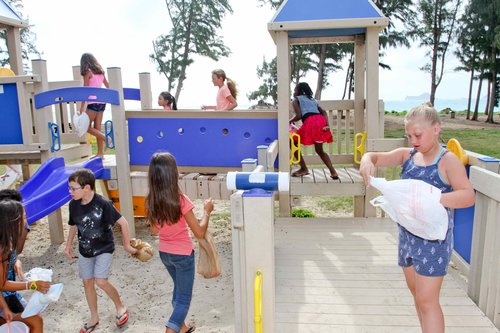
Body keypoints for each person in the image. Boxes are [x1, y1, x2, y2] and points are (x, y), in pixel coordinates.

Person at [359, 102, 475, 333]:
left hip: (434, 241)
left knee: (427, 301)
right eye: (409, 135)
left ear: (436, 128)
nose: (413, 140)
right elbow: (374, 157)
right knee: (418, 296)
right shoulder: (408, 155)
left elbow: (468, 196)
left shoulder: (447, 160)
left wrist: (433, 199)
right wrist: (366, 161)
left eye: (418, 134)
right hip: (408, 236)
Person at [145, 152, 214, 333]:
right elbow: (199, 232)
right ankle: (171, 329)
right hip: (183, 255)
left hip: (165, 254)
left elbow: (155, 229)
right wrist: (207, 212)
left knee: (178, 291)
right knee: (184, 299)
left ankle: (182, 328)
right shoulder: (181, 200)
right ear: (172, 174)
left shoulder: (151, 200)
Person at [64, 168, 137, 333]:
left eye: (73, 189)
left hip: (104, 248)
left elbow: (124, 223)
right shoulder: (73, 205)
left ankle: (120, 307)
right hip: (85, 250)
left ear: (87, 188)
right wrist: (68, 245)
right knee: (87, 282)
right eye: (69, 188)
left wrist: (126, 245)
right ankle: (94, 317)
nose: (70, 192)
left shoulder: (103, 203)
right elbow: (73, 225)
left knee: (101, 281)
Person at [0, 199, 51, 333]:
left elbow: (13, 256)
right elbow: (1, 284)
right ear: (10, 221)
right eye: (22, 218)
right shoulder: (1, 248)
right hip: (3, 295)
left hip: (8, 295)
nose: (25, 221)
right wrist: (32, 285)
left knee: (34, 321)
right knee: (35, 321)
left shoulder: (8, 239)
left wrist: (15, 262)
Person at [289, 82, 339, 179]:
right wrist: (326, 124)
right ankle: (333, 172)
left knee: (292, 142)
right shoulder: (313, 100)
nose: (294, 92)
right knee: (320, 150)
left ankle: (304, 168)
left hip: (310, 122)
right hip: (321, 122)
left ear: (299, 91)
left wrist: (289, 121)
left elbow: (298, 116)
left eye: (295, 89)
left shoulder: (296, 100)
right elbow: (323, 111)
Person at [79, 53, 111, 157]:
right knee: (97, 128)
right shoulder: (101, 72)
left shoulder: (87, 72)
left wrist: (82, 107)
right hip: (102, 102)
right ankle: (100, 153)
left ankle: (107, 138)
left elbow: (85, 90)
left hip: (92, 103)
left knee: (86, 127)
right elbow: (108, 86)